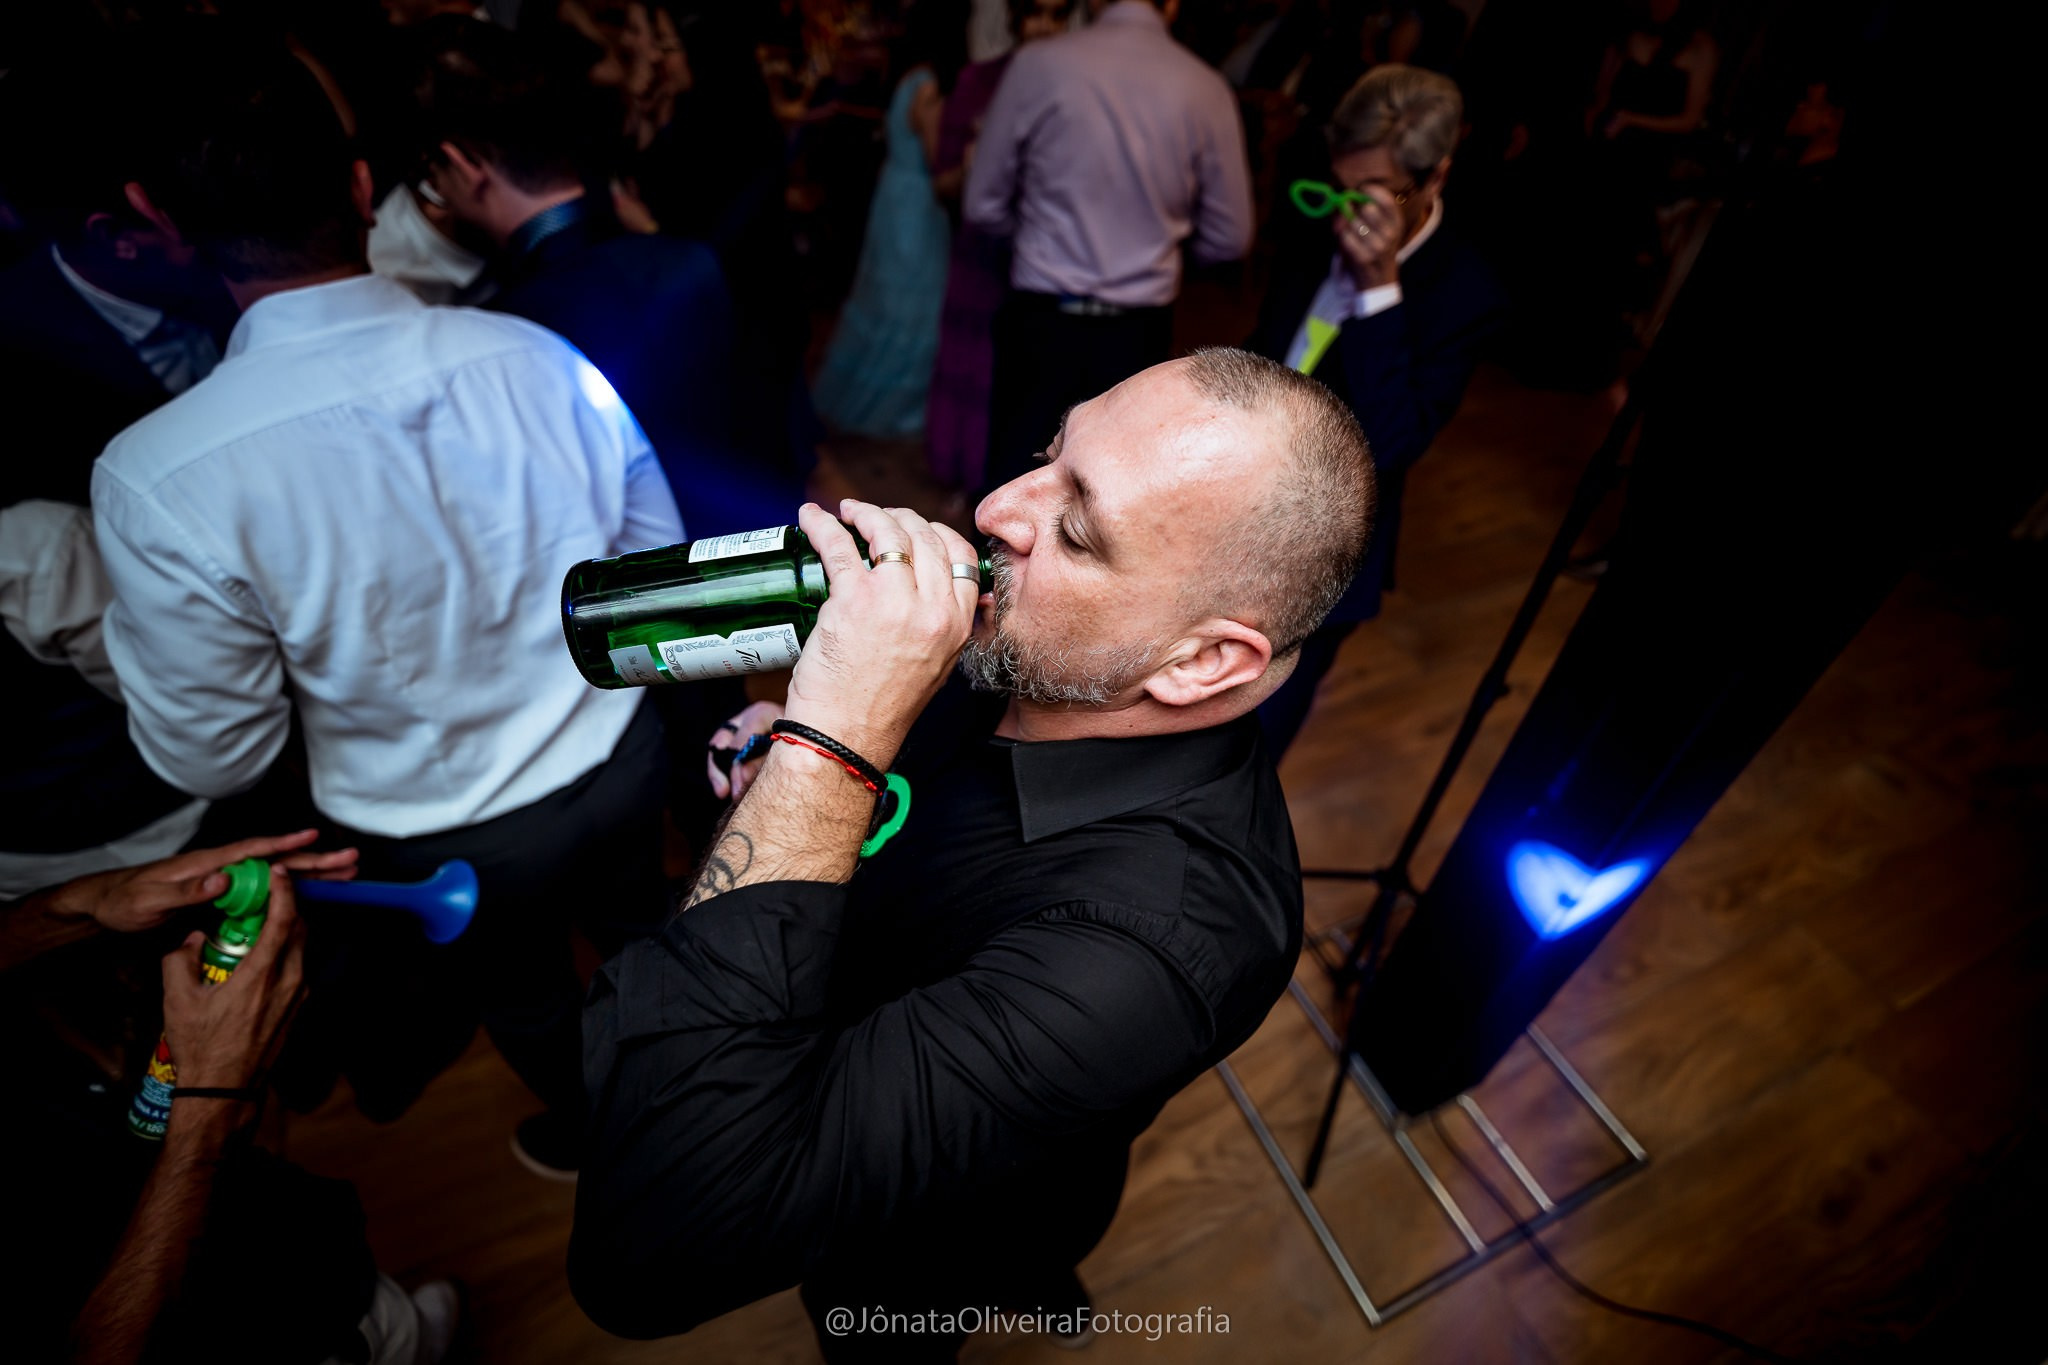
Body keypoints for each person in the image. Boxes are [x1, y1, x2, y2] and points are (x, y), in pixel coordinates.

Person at [568, 349, 1373, 1363]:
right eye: (1049, 454)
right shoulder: (1055, 647)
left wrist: (831, 751)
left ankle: (1026, 1279)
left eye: (1076, 529)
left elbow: (645, 1255)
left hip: (922, 1237)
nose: (996, 508)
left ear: (1203, 660)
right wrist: (793, 779)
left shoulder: (1155, 948)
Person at [88, 23, 684, 1178]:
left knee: (524, 996)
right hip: (617, 760)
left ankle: (619, 1147)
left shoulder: (158, 475)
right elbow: (651, 567)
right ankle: (692, 1100)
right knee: (645, 936)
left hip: (438, 823)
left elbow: (217, 755)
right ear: (364, 189)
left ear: (158, 221)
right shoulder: (540, 356)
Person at [2, 831, 461, 1365]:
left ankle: (397, 1324)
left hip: (233, 1223)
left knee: (359, 1298)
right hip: (250, 1336)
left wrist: (78, 905)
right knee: (367, 1333)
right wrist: (208, 1112)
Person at [409, 18, 780, 534]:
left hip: (644, 589)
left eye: (433, 175)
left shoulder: (503, 328)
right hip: (754, 542)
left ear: (464, 166)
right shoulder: (688, 259)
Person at [1248, 65, 1507, 755]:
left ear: (1435, 177)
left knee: (1250, 747)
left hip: (1324, 555)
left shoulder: (1464, 290)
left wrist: (1379, 292)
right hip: (1232, 514)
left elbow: (1394, 440)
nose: (1341, 210)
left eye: (1368, 194)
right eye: (1335, 185)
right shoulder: (1316, 220)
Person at [964, 0, 1255, 494]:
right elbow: (1231, 236)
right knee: (1111, 491)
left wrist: (1039, 233)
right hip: (1137, 330)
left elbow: (982, 204)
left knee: (1014, 479)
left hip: (1042, 317)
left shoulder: (1039, 64)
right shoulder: (1205, 86)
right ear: (1173, 4)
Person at [924, 0, 1072, 495]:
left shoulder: (1079, 85)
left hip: (1049, 257)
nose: (1045, 28)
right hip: (984, 253)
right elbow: (942, 183)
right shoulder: (979, 82)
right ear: (1014, 19)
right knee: (974, 365)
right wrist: (979, 163)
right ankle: (965, 485)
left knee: (1032, 382)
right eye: (1035, 13)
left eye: (1057, 14)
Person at [808, 0, 970, 441]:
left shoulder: (907, 77)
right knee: (914, 303)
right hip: (917, 205)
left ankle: (856, 401)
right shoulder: (930, 86)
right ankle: (893, 411)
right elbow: (938, 163)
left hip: (892, 196)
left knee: (884, 297)